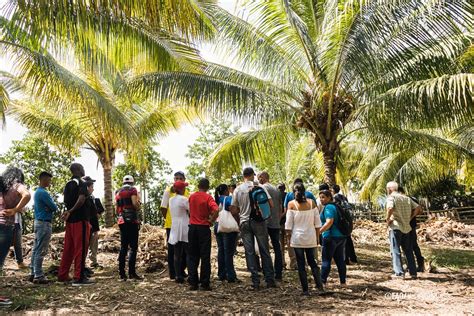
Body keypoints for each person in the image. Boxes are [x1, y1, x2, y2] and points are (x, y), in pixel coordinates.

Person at [230, 167, 276, 290]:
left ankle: (255, 281)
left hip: (244, 223)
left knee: (249, 252)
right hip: (259, 222)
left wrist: (239, 218)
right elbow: (271, 204)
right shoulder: (259, 188)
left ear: (243, 176)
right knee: (264, 250)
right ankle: (270, 279)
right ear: (252, 175)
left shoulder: (238, 190)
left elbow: (233, 209)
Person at [58, 163, 94, 286]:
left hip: (70, 221)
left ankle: (63, 275)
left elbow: (66, 201)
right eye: (83, 167)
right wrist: (72, 210)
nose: (84, 169)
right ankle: (79, 277)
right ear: (78, 170)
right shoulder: (82, 183)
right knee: (81, 248)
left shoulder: (68, 184)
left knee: (69, 248)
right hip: (80, 220)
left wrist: (68, 211)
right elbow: (81, 199)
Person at [286, 183, 324, 295]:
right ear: (304, 191)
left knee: (301, 264)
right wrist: (317, 238)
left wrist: (289, 239)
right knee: (313, 262)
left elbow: (288, 226)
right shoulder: (312, 203)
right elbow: (317, 224)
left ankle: (305, 290)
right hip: (310, 237)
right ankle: (319, 286)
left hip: (297, 238)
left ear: (294, 192)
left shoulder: (291, 204)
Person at [187, 178, 219, 291]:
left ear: (198, 186)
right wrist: (211, 221)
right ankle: (205, 283)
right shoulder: (208, 197)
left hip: (192, 228)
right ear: (207, 187)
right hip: (203, 228)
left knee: (192, 256)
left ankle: (193, 282)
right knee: (205, 256)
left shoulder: (191, 196)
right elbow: (216, 209)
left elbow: (188, 210)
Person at [386, 182, 420, 279]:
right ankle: (413, 272)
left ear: (389, 189)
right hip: (407, 227)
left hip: (396, 227)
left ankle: (399, 273)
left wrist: (388, 219)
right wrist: (410, 217)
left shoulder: (391, 197)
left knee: (395, 250)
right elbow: (418, 208)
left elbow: (390, 208)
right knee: (408, 251)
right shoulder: (406, 198)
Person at [0, 167, 31, 274]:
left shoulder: (3, 188)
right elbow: (26, 195)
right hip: (6, 225)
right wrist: (15, 209)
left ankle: (20, 261)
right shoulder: (16, 186)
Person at [160, 171, 190, 280]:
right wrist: (168, 218)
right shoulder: (168, 191)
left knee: (184, 251)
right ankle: (173, 273)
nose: (177, 180)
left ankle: (181, 270)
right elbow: (163, 208)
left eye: (180, 178)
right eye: (176, 178)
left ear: (184, 179)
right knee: (173, 250)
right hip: (171, 224)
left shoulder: (187, 192)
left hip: (184, 224)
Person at [29, 172, 58, 284]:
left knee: (36, 248)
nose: (50, 183)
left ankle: (33, 272)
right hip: (44, 223)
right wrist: (49, 208)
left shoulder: (37, 192)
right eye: (49, 180)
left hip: (38, 222)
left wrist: (48, 208)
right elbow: (54, 207)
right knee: (41, 249)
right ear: (44, 180)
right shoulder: (43, 193)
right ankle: (39, 275)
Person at [283, 178, 317, 270]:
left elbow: (286, 210)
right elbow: (315, 210)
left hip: (295, 227)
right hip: (309, 227)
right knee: (311, 251)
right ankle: (313, 262)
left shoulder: (289, 195)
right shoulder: (310, 195)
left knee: (295, 249)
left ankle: (294, 263)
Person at [116, 175, 142, 281]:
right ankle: (132, 273)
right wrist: (139, 206)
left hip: (121, 220)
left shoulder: (117, 191)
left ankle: (122, 274)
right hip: (132, 220)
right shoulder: (133, 190)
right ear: (132, 182)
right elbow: (135, 204)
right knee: (133, 247)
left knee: (123, 247)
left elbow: (116, 208)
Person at [258, 172, 283, 280]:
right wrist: (278, 218)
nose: (258, 179)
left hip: (265, 222)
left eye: (259, 177)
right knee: (277, 247)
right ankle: (278, 272)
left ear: (263, 178)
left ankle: (267, 272)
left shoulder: (261, 188)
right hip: (275, 222)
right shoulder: (276, 189)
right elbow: (280, 206)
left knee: (264, 248)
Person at [319, 190, 347, 286]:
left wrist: (319, 232)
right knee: (340, 260)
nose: (321, 199)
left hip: (330, 237)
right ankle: (343, 282)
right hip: (341, 236)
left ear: (329, 197)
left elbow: (329, 221)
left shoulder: (328, 208)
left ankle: (322, 282)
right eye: (320, 197)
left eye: (323, 197)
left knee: (326, 260)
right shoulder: (336, 206)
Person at [214, 183, 239, 283]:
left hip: (218, 225)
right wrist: (238, 222)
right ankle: (230, 275)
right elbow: (233, 211)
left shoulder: (216, 199)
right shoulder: (228, 199)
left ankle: (221, 274)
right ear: (225, 190)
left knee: (221, 250)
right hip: (226, 227)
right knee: (228, 251)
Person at [398, 187, 425, 272]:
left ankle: (420, 264)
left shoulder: (410, 199)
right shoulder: (403, 200)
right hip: (405, 225)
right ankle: (410, 265)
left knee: (413, 245)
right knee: (406, 246)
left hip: (410, 225)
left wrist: (411, 216)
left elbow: (420, 209)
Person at [168, 180, 190, 284]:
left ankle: (178, 275)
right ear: (182, 189)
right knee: (188, 252)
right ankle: (191, 274)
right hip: (184, 225)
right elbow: (191, 209)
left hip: (175, 226)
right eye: (184, 187)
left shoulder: (171, 199)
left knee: (177, 253)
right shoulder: (184, 199)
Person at [332, 184, 358, 265]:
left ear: (333, 190)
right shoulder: (343, 197)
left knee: (344, 241)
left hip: (342, 221)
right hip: (347, 220)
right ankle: (353, 258)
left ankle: (345, 259)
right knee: (348, 240)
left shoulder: (335, 198)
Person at [88, 196, 104, 269]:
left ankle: (93, 262)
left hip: (94, 225)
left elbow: (101, 209)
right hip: (85, 225)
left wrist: (98, 213)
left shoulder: (95, 199)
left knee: (94, 245)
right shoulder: (82, 199)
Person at [277, 183, 288, 270]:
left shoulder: (276, 196)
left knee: (281, 245)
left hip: (278, 223)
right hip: (287, 223)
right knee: (290, 243)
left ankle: (282, 262)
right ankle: (293, 262)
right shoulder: (288, 195)